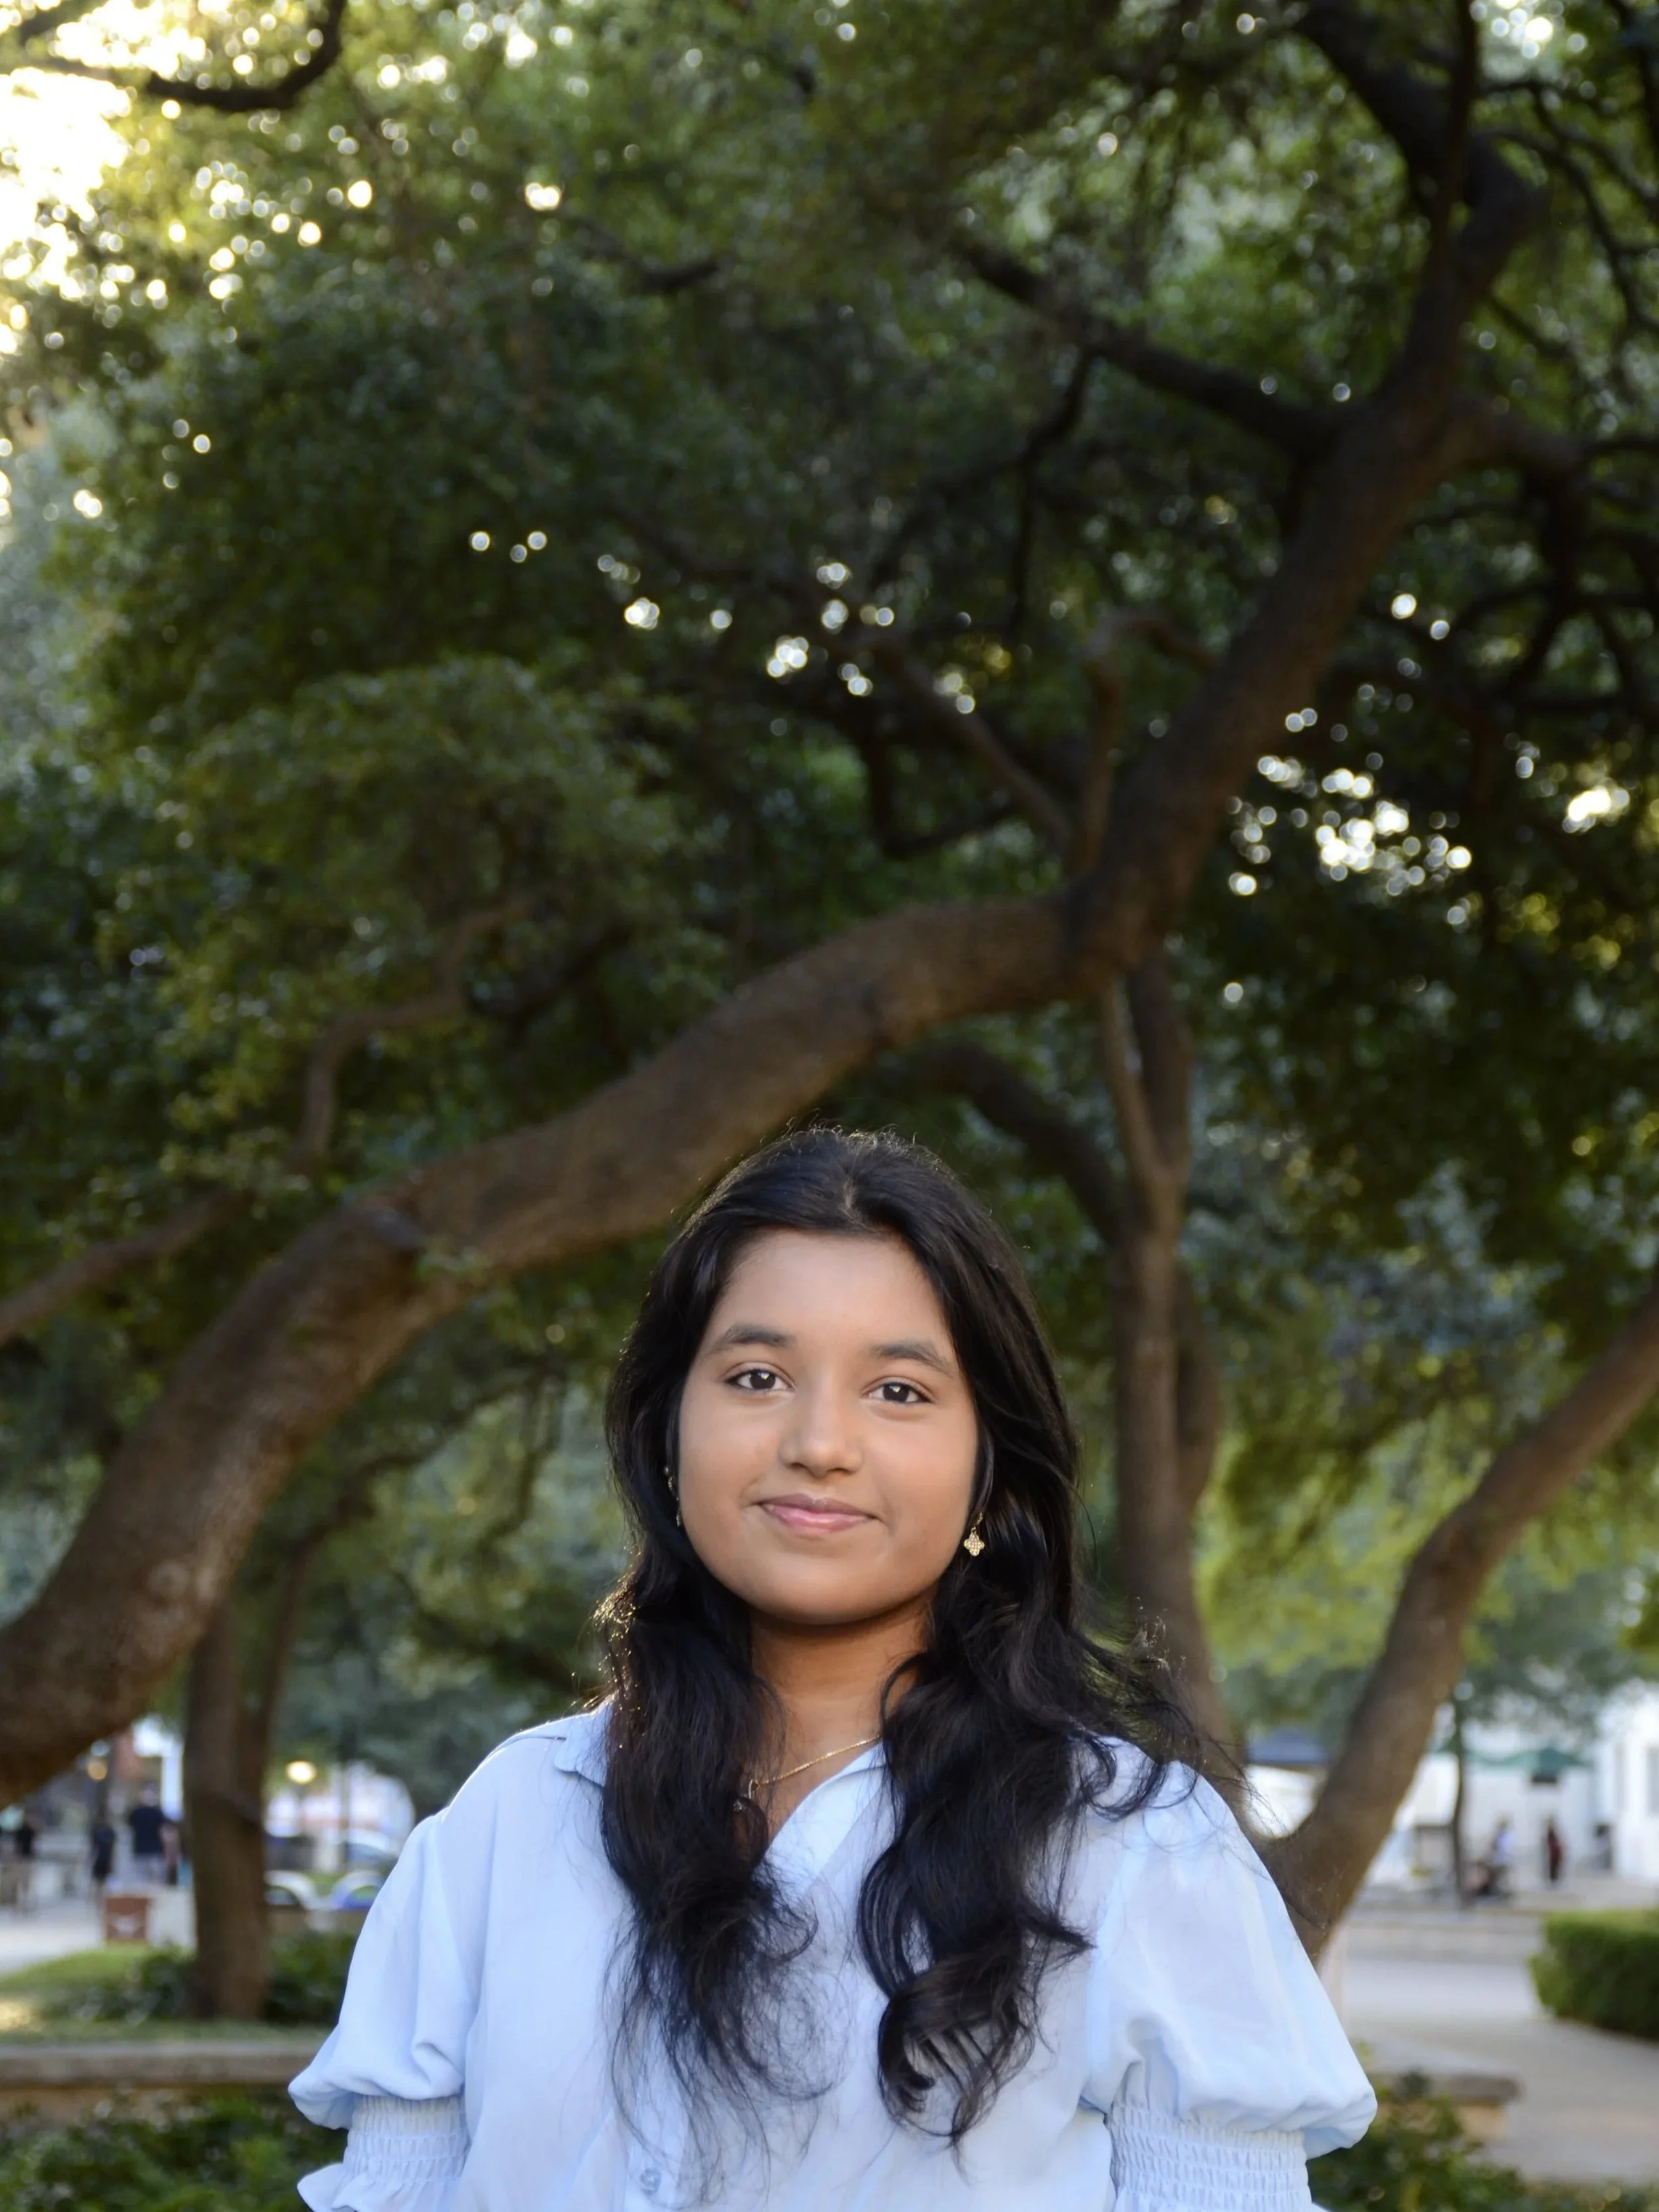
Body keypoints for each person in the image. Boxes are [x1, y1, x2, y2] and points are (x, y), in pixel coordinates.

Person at [291, 1128, 1375, 2211]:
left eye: (899, 1390)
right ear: (669, 1432)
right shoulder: (508, 1822)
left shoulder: (1133, 1846)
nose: (819, 1441)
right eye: (757, 1375)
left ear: (990, 1469)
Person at [126, 1785, 170, 1886]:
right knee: (147, 1881)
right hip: (144, 1852)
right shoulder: (138, 1812)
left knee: (146, 1881)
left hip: (152, 1852)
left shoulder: (155, 1813)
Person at [1544, 1816, 1566, 1887]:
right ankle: (1553, 1880)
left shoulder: (1553, 1834)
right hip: (1553, 1853)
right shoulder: (1550, 1834)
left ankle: (1555, 1880)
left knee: (1555, 1867)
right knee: (1553, 1867)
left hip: (1555, 1854)